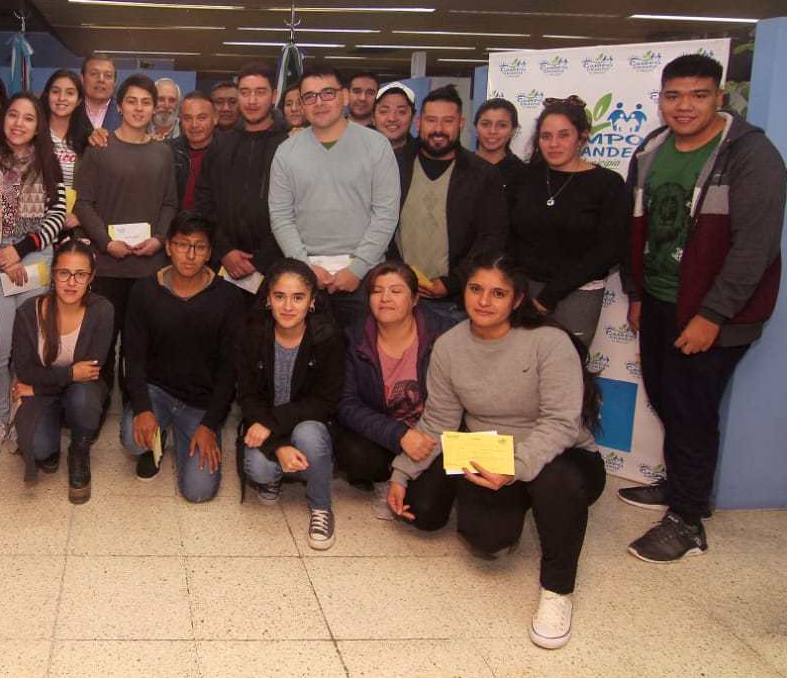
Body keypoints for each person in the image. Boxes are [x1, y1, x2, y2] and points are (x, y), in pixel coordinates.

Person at [388, 253, 606, 651]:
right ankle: (516, 503)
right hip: (489, 452)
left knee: (555, 483)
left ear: (517, 299)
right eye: (475, 289)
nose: (484, 301)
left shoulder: (549, 342)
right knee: (459, 528)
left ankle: (557, 592)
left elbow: (561, 423)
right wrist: (402, 473)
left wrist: (516, 468)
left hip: (561, 456)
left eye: (498, 293)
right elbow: (439, 420)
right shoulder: (449, 345)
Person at [619, 54, 787, 563]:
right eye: (673, 95)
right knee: (668, 400)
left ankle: (688, 520)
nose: (684, 106)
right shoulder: (652, 148)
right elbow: (636, 230)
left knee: (692, 410)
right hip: (660, 300)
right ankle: (680, 487)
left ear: (720, 96)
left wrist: (712, 315)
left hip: (714, 312)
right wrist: (637, 294)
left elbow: (755, 247)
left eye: (698, 94)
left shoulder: (751, 155)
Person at [0, 93, 67, 454]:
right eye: (13, 115)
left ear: (38, 126)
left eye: (28, 118)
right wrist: (2, 256)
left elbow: (57, 216)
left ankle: (23, 413)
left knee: (31, 347)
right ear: (3, 119)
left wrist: (20, 251)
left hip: (35, 256)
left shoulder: (49, 164)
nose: (18, 123)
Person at [268, 62, 401, 330]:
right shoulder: (286, 152)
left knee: (363, 351)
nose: (319, 102)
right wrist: (305, 268)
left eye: (328, 93)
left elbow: (386, 214)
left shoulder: (376, 146)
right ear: (302, 104)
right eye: (309, 96)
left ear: (345, 96)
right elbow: (281, 216)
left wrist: (357, 268)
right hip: (305, 276)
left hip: (364, 276)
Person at [121, 212, 243, 501]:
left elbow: (230, 371)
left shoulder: (229, 298)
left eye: (199, 247)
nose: (190, 255)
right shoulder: (145, 291)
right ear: (168, 246)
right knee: (133, 440)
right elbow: (133, 357)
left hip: (200, 403)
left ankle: (181, 432)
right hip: (157, 391)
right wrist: (143, 408)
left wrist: (209, 424)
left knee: (198, 492)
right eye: (182, 244)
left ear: (209, 253)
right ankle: (159, 434)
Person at [73, 74, 178, 390]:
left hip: (149, 266)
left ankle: (138, 405)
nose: (139, 108)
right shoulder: (99, 149)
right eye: (132, 101)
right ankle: (98, 403)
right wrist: (106, 243)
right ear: (119, 106)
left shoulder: (163, 153)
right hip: (108, 267)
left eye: (146, 102)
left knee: (142, 346)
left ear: (154, 108)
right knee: (101, 346)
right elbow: (83, 204)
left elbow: (170, 203)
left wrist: (159, 239)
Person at [332, 262, 456, 521]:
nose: (385, 298)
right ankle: (384, 479)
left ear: (415, 299)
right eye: (377, 291)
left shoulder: (444, 334)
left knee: (426, 514)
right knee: (352, 453)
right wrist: (399, 435)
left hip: (434, 434)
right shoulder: (355, 338)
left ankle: (415, 479)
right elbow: (346, 403)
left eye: (396, 291)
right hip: (385, 433)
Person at [237, 259, 344, 549]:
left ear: (312, 301)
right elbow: (247, 397)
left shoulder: (327, 338)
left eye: (298, 298)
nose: (287, 306)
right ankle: (279, 472)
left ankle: (320, 507)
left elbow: (325, 402)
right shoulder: (253, 335)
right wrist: (278, 446)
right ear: (268, 299)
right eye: (279, 296)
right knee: (258, 469)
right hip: (267, 424)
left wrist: (271, 425)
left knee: (309, 434)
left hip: (306, 424)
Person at [507, 97, 629, 347]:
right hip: (523, 292)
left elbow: (609, 249)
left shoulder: (608, 184)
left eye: (564, 135)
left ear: (581, 137)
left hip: (578, 293)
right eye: (546, 136)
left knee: (567, 364)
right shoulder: (523, 178)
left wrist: (550, 296)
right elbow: (507, 235)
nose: (553, 144)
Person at [9, 238, 113, 503]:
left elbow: (89, 372)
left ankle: (79, 449)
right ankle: (52, 443)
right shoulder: (28, 312)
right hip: (48, 391)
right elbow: (25, 370)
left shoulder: (102, 310)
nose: (71, 282)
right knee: (39, 449)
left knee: (83, 396)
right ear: (53, 274)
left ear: (92, 277)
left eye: (81, 274)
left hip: (77, 391)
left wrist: (37, 387)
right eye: (64, 273)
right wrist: (68, 375)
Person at [391, 84, 508, 320]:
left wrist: (453, 282)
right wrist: (396, 273)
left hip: (454, 302)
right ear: (418, 123)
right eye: (431, 120)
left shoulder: (483, 174)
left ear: (461, 124)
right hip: (397, 293)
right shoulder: (394, 165)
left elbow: (491, 237)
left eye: (448, 121)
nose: (439, 129)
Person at [195, 62, 287, 288]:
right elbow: (204, 201)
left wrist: (261, 259)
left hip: (276, 265)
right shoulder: (220, 144)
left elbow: (297, 208)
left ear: (274, 96)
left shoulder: (288, 145)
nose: (252, 100)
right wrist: (224, 250)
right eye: (245, 92)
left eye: (260, 92)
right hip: (223, 264)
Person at [38, 69, 96, 234]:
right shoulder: (33, 136)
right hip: (36, 224)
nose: (62, 98)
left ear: (78, 101)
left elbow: (97, 189)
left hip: (73, 226)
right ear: (47, 95)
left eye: (70, 93)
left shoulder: (89, 140)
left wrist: (80, 216)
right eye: (56, 91)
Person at [170, 91, 216, 211]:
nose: (194, 125)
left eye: (201, 118)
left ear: (215, 118)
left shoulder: (228, 154)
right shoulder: (168, 152)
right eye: (187, 118)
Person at [474, 99, 526, 198]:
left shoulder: (524, 174)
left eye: (502, 125)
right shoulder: (459, 166)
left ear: (513, 130)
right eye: (485, 124)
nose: (492, 131)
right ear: (476, 127)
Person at [81, 54, 120, 131]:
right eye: (94, 74)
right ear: (82, 79)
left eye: (108, 75)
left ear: (115, 83)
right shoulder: (69, 110)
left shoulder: (126, 113)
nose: (101, 79)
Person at [373, 83, 416, 152]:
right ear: (373, 117)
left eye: (401, 112)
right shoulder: (359, 151)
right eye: (384, 111)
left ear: (412, 117)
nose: (392, 118)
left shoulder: (424, 154)